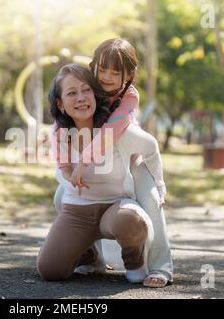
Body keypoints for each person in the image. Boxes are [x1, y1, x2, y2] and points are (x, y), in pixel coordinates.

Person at [51, 39, 173, 288]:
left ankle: (162, 266)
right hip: (97, 155)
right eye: (102, 69)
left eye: (115, 73)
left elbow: (112, 131)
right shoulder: (90, 83)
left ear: (128, 75)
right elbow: (64, 116)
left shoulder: (129, 96)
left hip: (130, 153)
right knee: (61, 197)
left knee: (151, 200)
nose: (106, 77)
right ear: (94, 66)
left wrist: (159, 183)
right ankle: (90, 254)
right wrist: (66, 160)